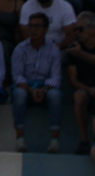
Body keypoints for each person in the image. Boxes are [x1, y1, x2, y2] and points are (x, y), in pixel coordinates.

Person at [11, 13, 64, 154]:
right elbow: (17, 76)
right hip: (26, 86)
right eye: (31, 26)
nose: (33, 29)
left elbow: (56, 77)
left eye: (38, 26)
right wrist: (31, 90)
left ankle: (54, 140)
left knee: (55, 96)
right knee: (19, 94)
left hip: (46, 86)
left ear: (46, 29)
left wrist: (43, 89)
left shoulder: (53, 50)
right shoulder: (20, 49)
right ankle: (20, 138)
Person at [66, 11, 95, 154]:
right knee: (79, 96)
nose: (77, 32)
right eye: (75, 29)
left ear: (93, 29)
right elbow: (72, 79)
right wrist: (88, 89)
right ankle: (84, 140)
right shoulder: (73, 47)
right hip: (85, 88)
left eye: (80, 29)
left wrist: (80, 54)